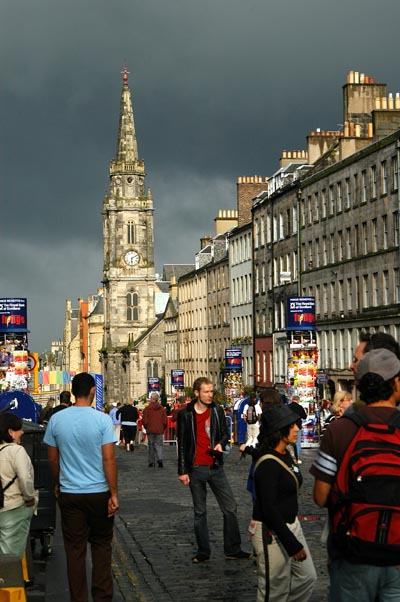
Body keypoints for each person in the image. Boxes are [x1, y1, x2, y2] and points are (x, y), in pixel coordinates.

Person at [311, 349, 400, 601]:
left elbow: (320, 496)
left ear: (360, 386)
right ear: (395, 384)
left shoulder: (339, 430)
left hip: (353, 554)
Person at [43, 372, 119, 602]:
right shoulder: (102, 420)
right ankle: (102, 597)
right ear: (92, 391)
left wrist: (58, 482)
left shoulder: (57, 420)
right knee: (101, 547)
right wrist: (113, 492)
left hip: (70, 493)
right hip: (98, 492)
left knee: (74, 551)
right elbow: (108, 459)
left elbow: (53, 459)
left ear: (73, 392)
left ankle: (79, 598)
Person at [177, 376, 252, 564]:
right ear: (196, 393)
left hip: (215, 467)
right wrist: (182, 470)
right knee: (200, 511)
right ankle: (203, 551)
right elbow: (183, 444)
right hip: (196, 468)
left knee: (230, 507)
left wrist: (220, 444)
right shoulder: (185, 414)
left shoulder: (217, 411)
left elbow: (225, 434)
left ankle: (232, 548)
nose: (210, 395)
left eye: (212, 391)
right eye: (206, 392)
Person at [250, 405, 316, 601]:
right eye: (292, 425)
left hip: (291, 524)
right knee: (275, 590)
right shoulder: (268, 463)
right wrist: (292, 544)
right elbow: (269, 508)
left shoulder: (286, 454)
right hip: (271, 530)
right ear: (279, 430)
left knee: (307, 577)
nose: (297, 428)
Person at [0, 413, 38, 558]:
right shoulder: (17, 451)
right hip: (14, 509)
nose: (22, 432)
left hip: (1, 507)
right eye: (19, 429)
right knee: (11, 559)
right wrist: (30, 497)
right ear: (10, 432)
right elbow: (24, 478)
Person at [142, 392, 167, 467]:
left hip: (150, 429)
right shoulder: (162, 409)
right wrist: (163, 428)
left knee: (151, 445)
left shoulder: (147, 409)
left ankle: (151, 461)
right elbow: (165, 420)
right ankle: (160, 459)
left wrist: (147, 427)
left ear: (152, 399)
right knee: (159, 445)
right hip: (159, 429)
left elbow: (145, 420)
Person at [288, 395, 307, 463]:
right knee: (297, 443)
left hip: (289, 426)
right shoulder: (300, 407)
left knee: (289, 443)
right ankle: (297, 459)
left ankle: (290, 458)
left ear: (292, 400)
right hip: (298, 426)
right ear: (298, 400)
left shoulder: (288, 406)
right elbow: (304, 416)